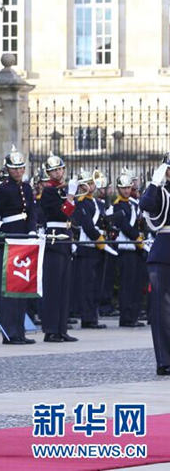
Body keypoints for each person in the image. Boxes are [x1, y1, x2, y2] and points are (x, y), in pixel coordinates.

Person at [0, 146, 38, 345]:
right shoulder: (3, 189)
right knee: (9, 289)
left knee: (21, 286)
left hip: (24, 238)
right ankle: (9, 332)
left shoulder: (26, 188)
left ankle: (19, 331)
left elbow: (32, 211)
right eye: (14, 168)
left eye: (21, 168)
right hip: (11, 237)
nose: (18, 171)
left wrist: (32, 230)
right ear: (8, 169)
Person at [38, 154, 78, 343]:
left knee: (64, 287)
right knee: (53, 287)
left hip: (65, 238)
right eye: (54, 170)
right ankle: (51, 329)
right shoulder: (49, 192)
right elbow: (62, 214)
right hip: (55, 237)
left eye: (60, 169)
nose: (58, 172)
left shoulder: (60, 191)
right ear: (48, 173)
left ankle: (61, 328)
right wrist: (70, 196)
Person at [140, 156, 170, 375]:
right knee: (162, 311)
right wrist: (154, 182)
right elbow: (146, 205)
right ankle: (165, 360)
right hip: (163, 253)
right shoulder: (160, 192)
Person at [108, 172, 145, 328]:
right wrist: (137, 237)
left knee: (136, 284)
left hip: (136, 249)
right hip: (126, 248)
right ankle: (126, 317)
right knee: (127, 285)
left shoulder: (134, 204)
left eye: (128, 187)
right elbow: (124, 226)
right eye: (123, 188)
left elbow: (140, 222)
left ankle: (134, 315)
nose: (126, 191)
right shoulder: (117, 205)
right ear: (118, 189)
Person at [72, 170, 108, 330]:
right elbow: (87, 225)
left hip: (98, 248)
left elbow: (102, 222)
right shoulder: (79, 203)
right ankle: (87, 317)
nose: (91, 186)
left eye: (92, 183)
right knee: (87, 284)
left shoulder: (98, 203)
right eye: (88, 183)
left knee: (96, 284)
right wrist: (99, 239)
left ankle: (93, 315)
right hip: (87, 247)